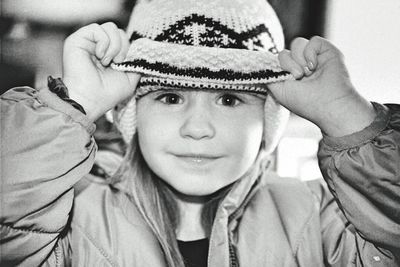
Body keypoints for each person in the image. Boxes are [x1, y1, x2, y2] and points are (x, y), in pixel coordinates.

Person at [1, 0, 399, 266]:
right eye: (170, 97)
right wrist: (80, 100)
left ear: (268, 118)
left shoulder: (324, 221)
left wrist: (347, 115)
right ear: (133, 110)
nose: (197, 129)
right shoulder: (69, 218)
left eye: (229, 99)